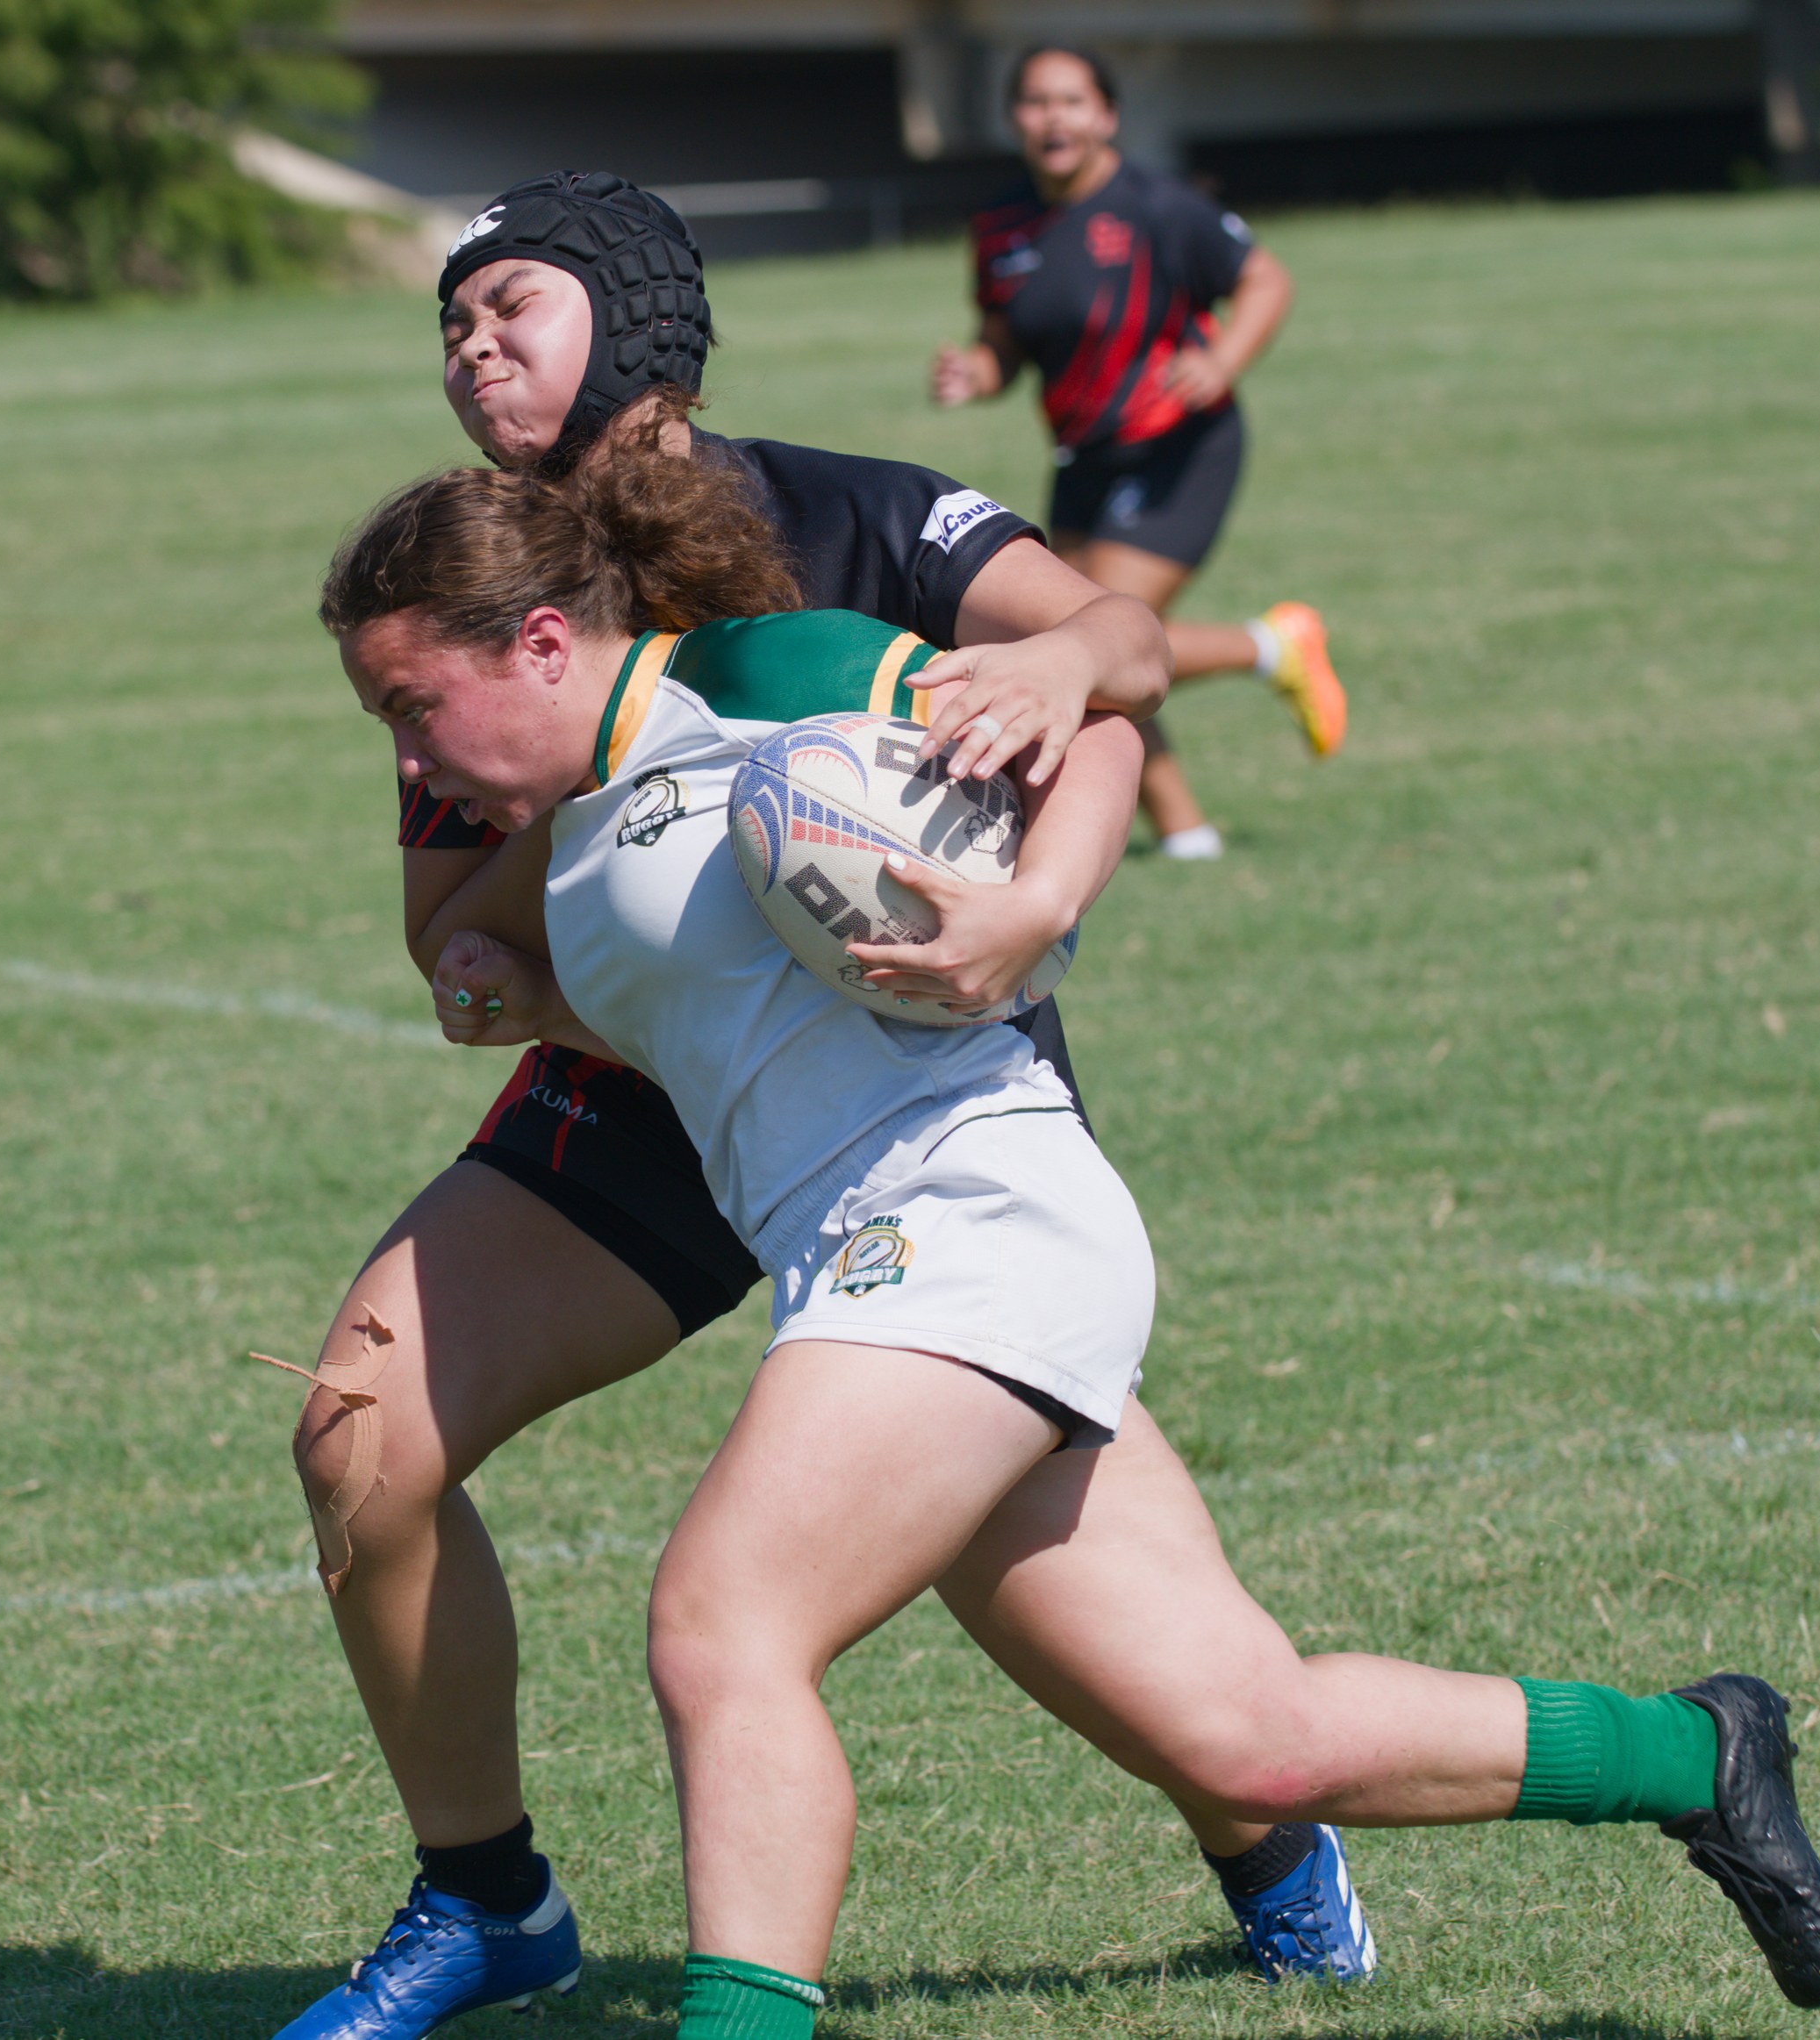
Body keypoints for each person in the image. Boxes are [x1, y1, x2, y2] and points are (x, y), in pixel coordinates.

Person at [306, 455, 1820, 2040]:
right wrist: (513, 993)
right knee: (1247, 1737)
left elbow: (1099, 718)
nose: (411, 758)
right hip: (867, 1264)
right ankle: (1700, 1751)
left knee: (726, 1627)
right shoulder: (568, 844)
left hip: (974, 1214)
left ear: (541, 643)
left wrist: (1033, 904)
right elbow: (694, 1014)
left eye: (415, 707)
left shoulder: (765, 673)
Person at [273, 171, 1372, 2040]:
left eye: (510, 305)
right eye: (448, 323)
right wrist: (526, 922)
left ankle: (1265, 1837)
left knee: (1058, 1598)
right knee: (359, 1438)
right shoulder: (474, 601)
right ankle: (487, 1897)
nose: (469, 347)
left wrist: (1045, 684)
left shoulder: (851, 511)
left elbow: (1109, 646)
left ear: (635, 319)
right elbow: (454, 926)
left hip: (898, 1078)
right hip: (642, 1090)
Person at [932, 43, 1346, 862]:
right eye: (1036, 102)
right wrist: (977, 372)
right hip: (1081, 461)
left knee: (1088, 644)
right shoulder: (1002, 226)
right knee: (1069, 640)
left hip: (1177, 449)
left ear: (1106, 115)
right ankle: (1188, 837)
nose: (1053, 118)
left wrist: (1222, 360)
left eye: (1072, 101)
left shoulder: (1162, 207)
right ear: (1014, 118)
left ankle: (1274, 645)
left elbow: (1267, 280)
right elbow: (1005, 344)